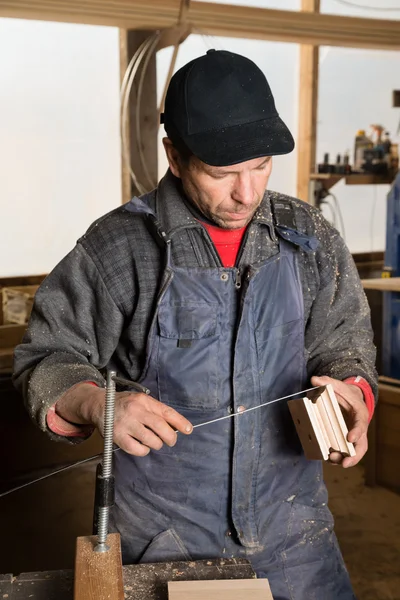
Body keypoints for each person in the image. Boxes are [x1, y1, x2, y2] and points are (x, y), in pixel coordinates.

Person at [14, 50, 377, 599]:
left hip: (295, 536)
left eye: (260, 166)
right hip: (167, 543)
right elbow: (46, 359)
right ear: (176, 157)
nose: (247, 194)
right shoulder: (117, 251)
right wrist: (97, 404)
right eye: (222, 172)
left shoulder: (307, 237)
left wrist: (353, 395)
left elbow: (344, 345)